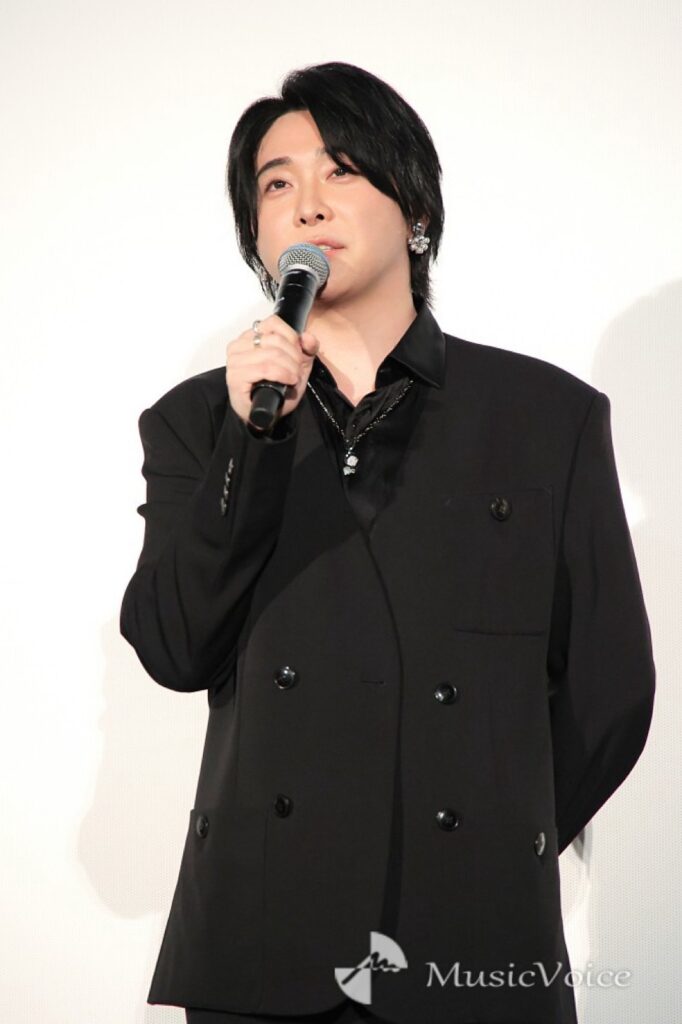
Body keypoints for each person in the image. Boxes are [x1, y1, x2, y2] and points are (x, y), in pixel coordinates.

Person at [119, 62, 656, 1024]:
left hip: (473, 944)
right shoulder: (200, 423)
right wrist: (252, 439)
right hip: (262, 944)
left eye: (342, 170)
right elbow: (172, 646)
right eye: (276, 183)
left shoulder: (547, 418)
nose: (307, 202)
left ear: (414, 208)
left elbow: (610, 690)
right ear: (258, 237)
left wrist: (492, 832)